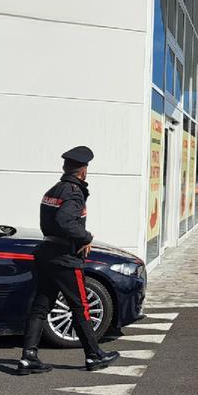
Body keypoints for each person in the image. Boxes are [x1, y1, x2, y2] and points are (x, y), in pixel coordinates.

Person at [17, 146, 119, 375]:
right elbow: (65, 221)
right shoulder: (73, 192)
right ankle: (94, 356)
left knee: (41, 306)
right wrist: (86, 236)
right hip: (65, 258)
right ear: (83, 171)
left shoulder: (54, 189)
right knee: (81, 306)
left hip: (46, 254)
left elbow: (51, 222)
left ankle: (28, 358)